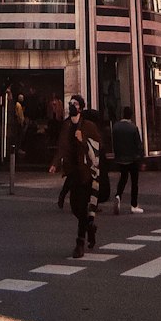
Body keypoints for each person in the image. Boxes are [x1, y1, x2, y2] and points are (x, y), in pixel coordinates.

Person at [49, 94, 101, 258]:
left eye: (75, 104)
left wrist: (83, 139)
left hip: (85, 171)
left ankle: (80, 243)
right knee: (75, 207)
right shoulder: (65, 125)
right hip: (71, 171)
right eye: (70, 103)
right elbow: (62, 146)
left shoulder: (88, 126)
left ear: (81, 107)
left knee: (82, 204)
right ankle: (89, 226)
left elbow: (97, 147)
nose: (72, 106)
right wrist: (55, 163)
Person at [111, 106, 145, 212]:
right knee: (134, 182)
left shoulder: (116, 127)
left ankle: (118, 195)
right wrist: (141, 159)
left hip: (121, 158)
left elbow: (114, 143)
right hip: (133, 158)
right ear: (131, 115)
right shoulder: (133, 128)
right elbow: (138, 145)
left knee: (123, 178)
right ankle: (133, 205)